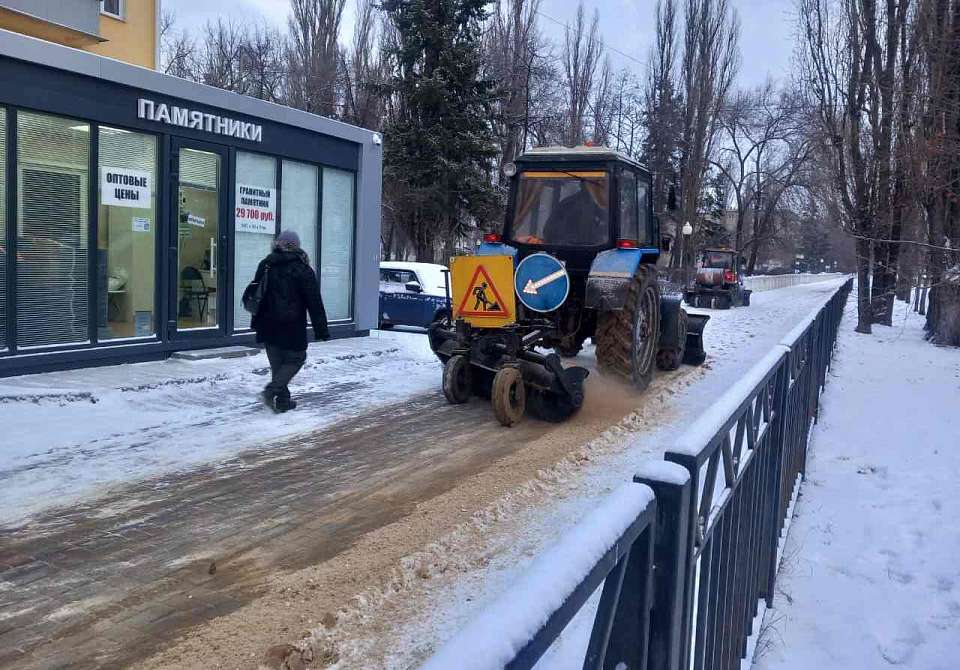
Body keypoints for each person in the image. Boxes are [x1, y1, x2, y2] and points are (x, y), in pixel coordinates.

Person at [249, 230, 329, 413]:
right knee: (296, 358)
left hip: (267, 324)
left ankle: (283, 402)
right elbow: (314, 302)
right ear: (296, 246)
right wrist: (321, 330)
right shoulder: (302, 269)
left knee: (278, 364)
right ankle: (270, 392)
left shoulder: (266, 264)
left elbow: (257, 295)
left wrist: (256, 322)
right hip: (292, 325)